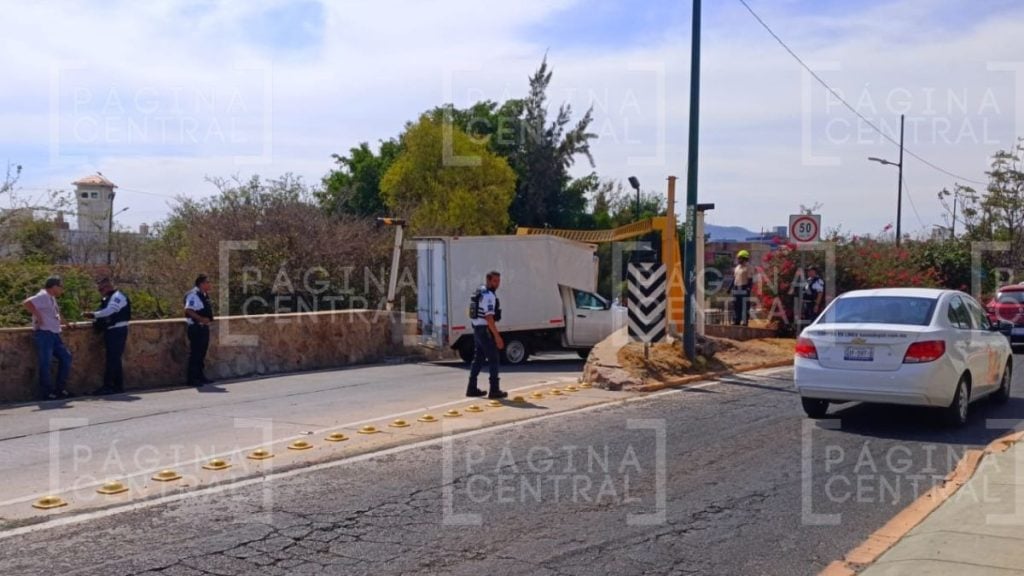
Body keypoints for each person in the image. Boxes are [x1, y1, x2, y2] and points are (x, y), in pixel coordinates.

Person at [23, 276, 73, 400]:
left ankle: (59, 389)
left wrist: (66, 323)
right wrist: (39, 317)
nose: (62, 289)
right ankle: (47, 392)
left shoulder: (51, 298)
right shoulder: (43, 296)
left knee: (66, 357)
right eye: (60, 287)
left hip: (54, 333)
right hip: (45, 334)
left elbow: (56, 313)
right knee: (45, 363)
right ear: (54, 286)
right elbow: (27, 303)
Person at [84, 278, 131, 395]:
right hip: (113, 330)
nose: (100, 291)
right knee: (115, 359)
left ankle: (108, 386)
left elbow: (110, 311)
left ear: (108, 287)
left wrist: (93, 314)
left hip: (117, 330)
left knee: (112, 359)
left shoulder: (118, 296)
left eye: (101, 289)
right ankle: (117, 386)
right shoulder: (109, 297)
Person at [465, 271, 507, 400]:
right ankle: (494, 390)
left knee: (478, 358)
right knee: (494, 358)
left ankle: (471, 388)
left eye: (498, 281)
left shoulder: (480, 291)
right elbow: (489, 318)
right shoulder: (489, 296)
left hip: (477, 328)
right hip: (483, 330)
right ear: (488, 280)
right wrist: (497, 336)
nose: (497, 284)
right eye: (495, 281)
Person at [184, 274, 215, 387]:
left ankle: (200, 376)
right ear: (201, 283)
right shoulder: (193, 295)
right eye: (207, 282)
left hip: (203, 327)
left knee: (202, 354)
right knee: (196, 353)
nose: (209, 284)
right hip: (196, 327)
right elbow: (189, 310)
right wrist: (201, 319)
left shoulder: (204, 295)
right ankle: (192, 379)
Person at [730, 250, 753, 326]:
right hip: (736, 288)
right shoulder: (737, 267)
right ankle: (736, 320)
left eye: (739, 258)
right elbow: (734, 279)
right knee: (736, 305)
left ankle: (745, 321)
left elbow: (750, 279)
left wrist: (748, 288)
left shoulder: (749, 267)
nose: (738, 260)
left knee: (745, 305)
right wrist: (730, 288)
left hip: (744, 287)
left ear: (744, 258)